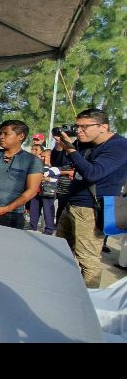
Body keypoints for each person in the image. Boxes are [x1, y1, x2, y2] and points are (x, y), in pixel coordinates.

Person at [56, 108, 127, 288]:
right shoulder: (84, 143)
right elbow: (58, 163)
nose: (79, 130)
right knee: (60, 250)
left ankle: (90, 300)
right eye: (77, 126)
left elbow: (93, 173)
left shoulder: (118, 146)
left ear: (103, 127)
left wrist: (71, 150)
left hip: (91, 209)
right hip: (71, 203)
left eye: (84, 127)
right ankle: (62, 288)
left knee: (87, 260)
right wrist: (60, 145)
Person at [0, 120, 43, 229]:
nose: (1, 136)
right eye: (0, 133)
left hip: (13, 215)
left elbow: (32, 191)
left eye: (6, 133)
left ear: (21, 136)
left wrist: (7, 208)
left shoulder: (32, 161)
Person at [28, 149, 60, 235]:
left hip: (48, 193)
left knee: (48, 211)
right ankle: (32, 226)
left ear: (50, 157)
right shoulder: (39, 166)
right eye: (41, 156)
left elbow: (45, 173)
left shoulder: (55, 168)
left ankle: (49, 229)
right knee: (34, 209)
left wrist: (46, 175)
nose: (41, 158)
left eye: (44, 156)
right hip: (37, 191)